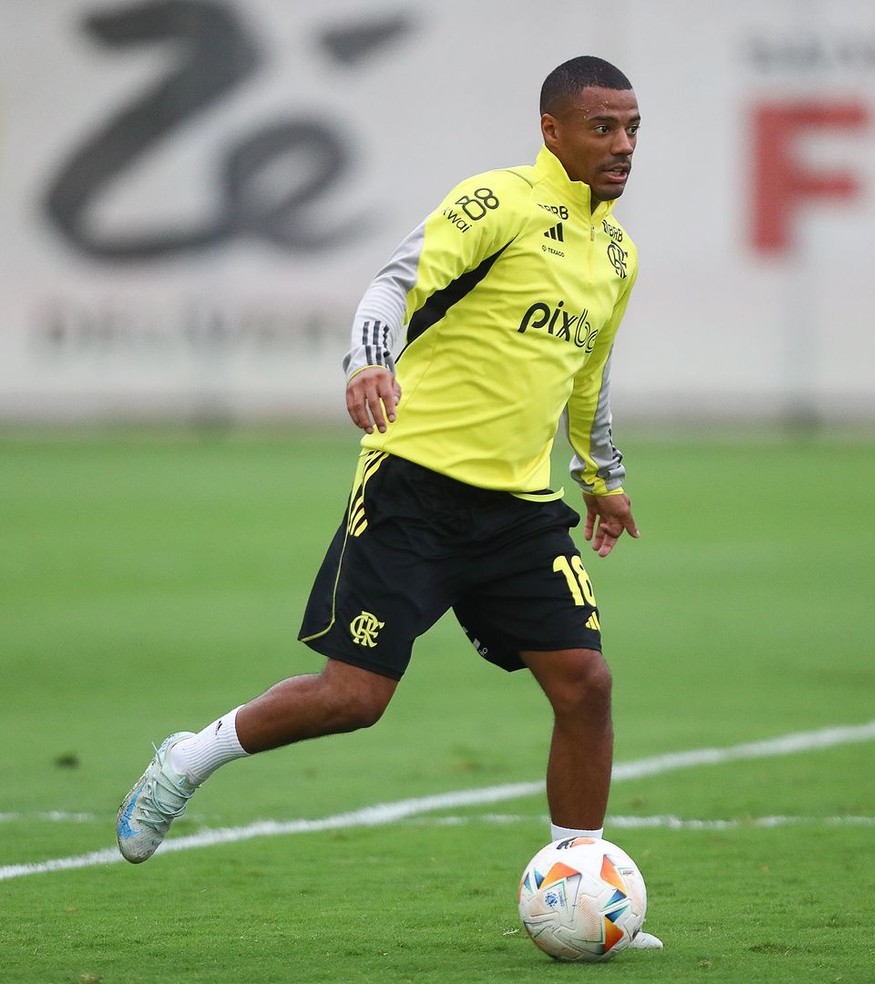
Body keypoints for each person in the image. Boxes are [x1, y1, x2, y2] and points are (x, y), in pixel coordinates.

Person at [116, 54, 662, 950]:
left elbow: (587, 375)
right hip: (414, 488)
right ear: (552, 131)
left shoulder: (617, 253)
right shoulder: (498, 203)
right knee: (354, 698)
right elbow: (391, 282)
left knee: (587, 685)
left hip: (522, 511)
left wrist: (603, 479)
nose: (624, 145)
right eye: (604, 127)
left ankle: (586, 883)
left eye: (633, 127)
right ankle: (187, 758)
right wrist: (367, 360)